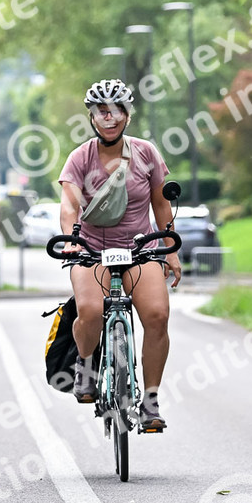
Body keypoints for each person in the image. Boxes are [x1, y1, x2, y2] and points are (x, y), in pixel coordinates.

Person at [55, 79, 180, 431]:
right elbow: (69, 204)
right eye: (101, 112)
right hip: (91, 250)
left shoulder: (146, 153)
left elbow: (161, 204)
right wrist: (72, 239)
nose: (109, 118)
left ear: (127, 114)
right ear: (92, 117)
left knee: (157, 315)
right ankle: (85, 364)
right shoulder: (80, 157)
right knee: (90, 311)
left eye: (116, 111)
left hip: (139, 249)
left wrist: (171, 250)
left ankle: (150, 401)